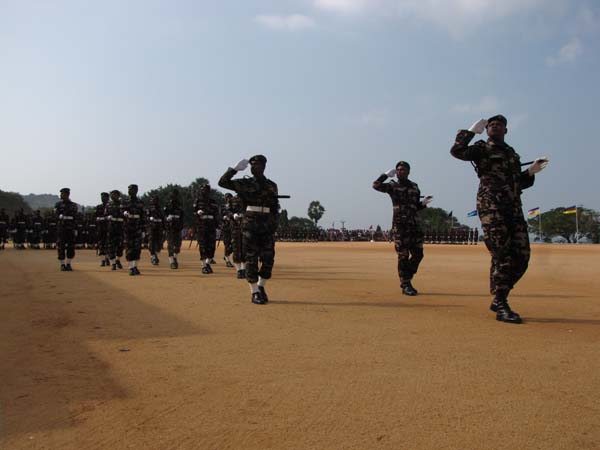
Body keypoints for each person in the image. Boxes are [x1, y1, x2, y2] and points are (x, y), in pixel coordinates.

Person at [450, 114, 549, 324]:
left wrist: (530, 172)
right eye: (491, 125)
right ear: (487, 131)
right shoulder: (481, 148)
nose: (495, 127)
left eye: (499, 125)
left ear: (506, 130)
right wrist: (470, 132)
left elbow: (517, 182)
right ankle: (501, 301)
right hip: (491, 207)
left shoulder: (512, 154)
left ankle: (499, 295)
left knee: (522, 256)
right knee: (501, 252)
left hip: (513, 208)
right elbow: (457, 151)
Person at [219, 155, 279, 305]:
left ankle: (261, 286)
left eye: (257, 165)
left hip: (267, 225)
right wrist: (234, 170)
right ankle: (254, 292)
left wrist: (274, 224)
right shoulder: (244, 183)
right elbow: (222, 182)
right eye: (252, 165)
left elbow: (274, 207)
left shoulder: (272, 185)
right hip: (250, 224)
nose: (254, 168)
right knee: (251, 258)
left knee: (268, 259)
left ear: (264, 167)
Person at [373, 161, 432, 296]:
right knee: (403, 255)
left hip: (415, 225)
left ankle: (407, 276)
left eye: (404, 170)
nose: (401, 172)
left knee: (418, 254)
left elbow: (415, 206)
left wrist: (423, 204)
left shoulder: (415, 187)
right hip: (400, 226)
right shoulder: (393, 186)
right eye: (398, 170)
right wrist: (385, 175)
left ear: (409, 172)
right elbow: (375, 185)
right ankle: (405, 284)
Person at [193, 184, 219, 274]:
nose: (205, 191)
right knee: (203, 246)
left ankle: (208, 263)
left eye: (207, 190)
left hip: (211, 225)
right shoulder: (198, 201)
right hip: (202, 225)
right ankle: (204, 266)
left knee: (212, 247)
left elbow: (216, 214)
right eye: (203, 190)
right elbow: (193, 211)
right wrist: (197, 212)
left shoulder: (213, 201)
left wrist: (217, 224)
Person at [122, 184, 145, 276]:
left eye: (131, 189)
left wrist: (143, 230)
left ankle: (135, 266)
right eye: (128, 189)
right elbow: (120, 213)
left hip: (138, 228)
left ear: (136, 191)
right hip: (128, 228)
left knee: (137, 248)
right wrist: (123, 212)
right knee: (129, 247)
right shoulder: (125, 202)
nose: (129, 191)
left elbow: (143, 217)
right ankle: (131, 267)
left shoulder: (140, 202)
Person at [54, 188, 79, 271]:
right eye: (61, 194)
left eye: (62, 194)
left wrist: (75, 229)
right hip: (61, 229)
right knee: (61, 246)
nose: (61, 195)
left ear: (67, 194)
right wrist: (59, 216)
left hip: (70, 228)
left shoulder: (73, 205)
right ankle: (62, 264)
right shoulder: (58, 205)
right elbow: (55, 215)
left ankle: (68, 263)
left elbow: (75, 218)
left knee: (71, 247)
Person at [164, 189, 184, 269]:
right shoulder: (167, 207)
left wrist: (181, 226)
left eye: (175, 195)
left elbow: (182, 218)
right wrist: (167, 218)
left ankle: (175, 257)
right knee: (170, 245)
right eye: (172, 195)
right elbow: (163, 217)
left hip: (177, 228)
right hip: (170, 229)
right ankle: (172, 261)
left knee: (177, 246)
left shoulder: (179, 208)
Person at [106, 190, 125, 270]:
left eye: (114, 195)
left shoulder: (123, 204)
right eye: (111, 195)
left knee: (120, 245)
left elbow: (126, 214)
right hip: (111, 227)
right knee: (111, 245)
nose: (112, 196)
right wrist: (108, 217)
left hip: (120, 227)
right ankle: (113, 262)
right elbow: (105, 214)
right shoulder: (108, 205)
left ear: (118, 195)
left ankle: (118, 259)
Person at [146, 195, 165, 265]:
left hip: (159, 227)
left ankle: (155, 254)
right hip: (151, 227)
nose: (154, 201)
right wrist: (149, 219)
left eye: (155, 200)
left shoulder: (160, 209)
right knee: (151, 242)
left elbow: (163, 219)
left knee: (159, 243)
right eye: (152, 200)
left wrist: (164, 228)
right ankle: (153, 256)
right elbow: (145, 219)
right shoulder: (149, 210)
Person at [95, 192, 110, 266]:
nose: (103, 199)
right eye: (102, 197)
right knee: (101, 244)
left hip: (109, 228)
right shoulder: (99, 207)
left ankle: (107, 258)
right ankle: (102, 260)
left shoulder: (110, 207)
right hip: (100, 228)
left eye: (104, 197)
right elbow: (95, 217)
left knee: (108, 244)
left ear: (108, 198)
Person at [221, 193, 235, 268]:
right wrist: (224, 217)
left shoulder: (234, 207)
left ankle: (226, 254)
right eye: (227, 198)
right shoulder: (223, 207)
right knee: (227, 244)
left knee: (234, 244)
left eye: (230, 197)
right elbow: (219, 216)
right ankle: (227, 260)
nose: (228, 199)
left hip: (233, 227)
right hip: (226, 228)